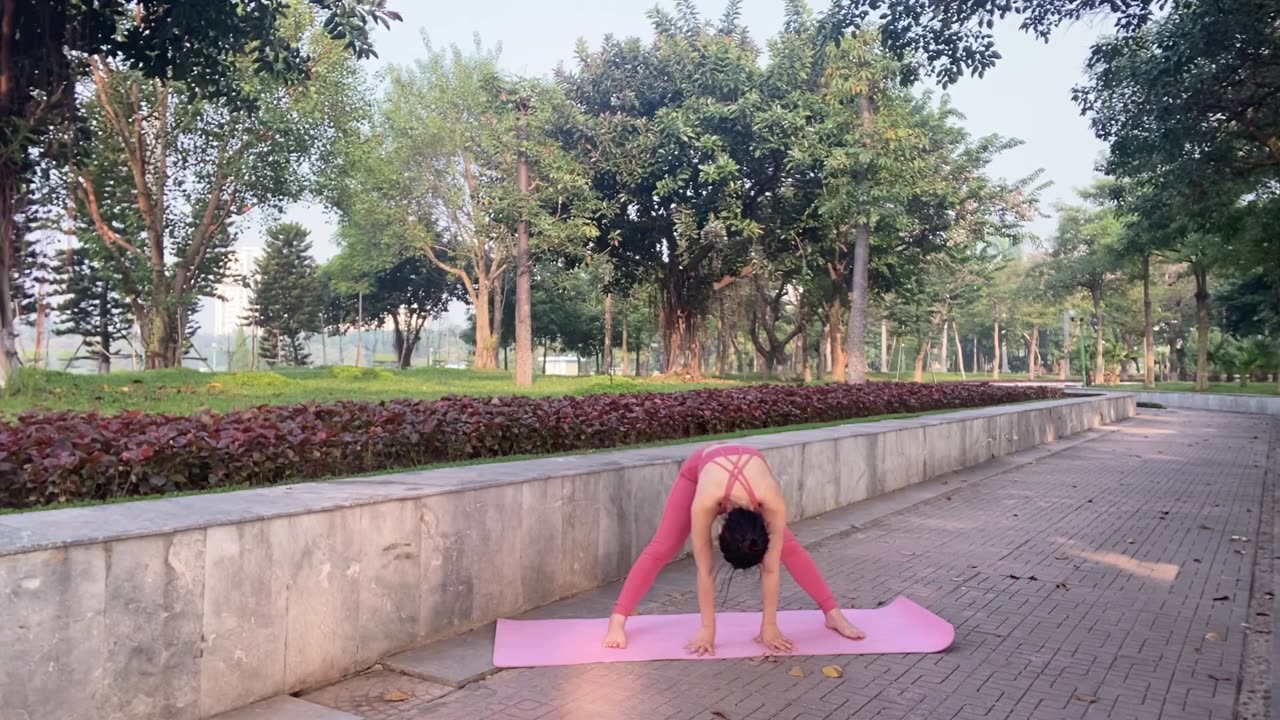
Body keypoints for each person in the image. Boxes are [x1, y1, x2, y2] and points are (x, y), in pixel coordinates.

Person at [602, 442, 865, 656]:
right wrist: (707, 628)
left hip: (750, 463)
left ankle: (833, 614)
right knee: (664, 546)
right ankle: (618, 618)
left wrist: (769, 627)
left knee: (790, 547)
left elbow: (771, 569)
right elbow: (704, 571)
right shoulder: (704, 504)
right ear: (721, 529)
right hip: (700, 467)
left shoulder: (772, 501)